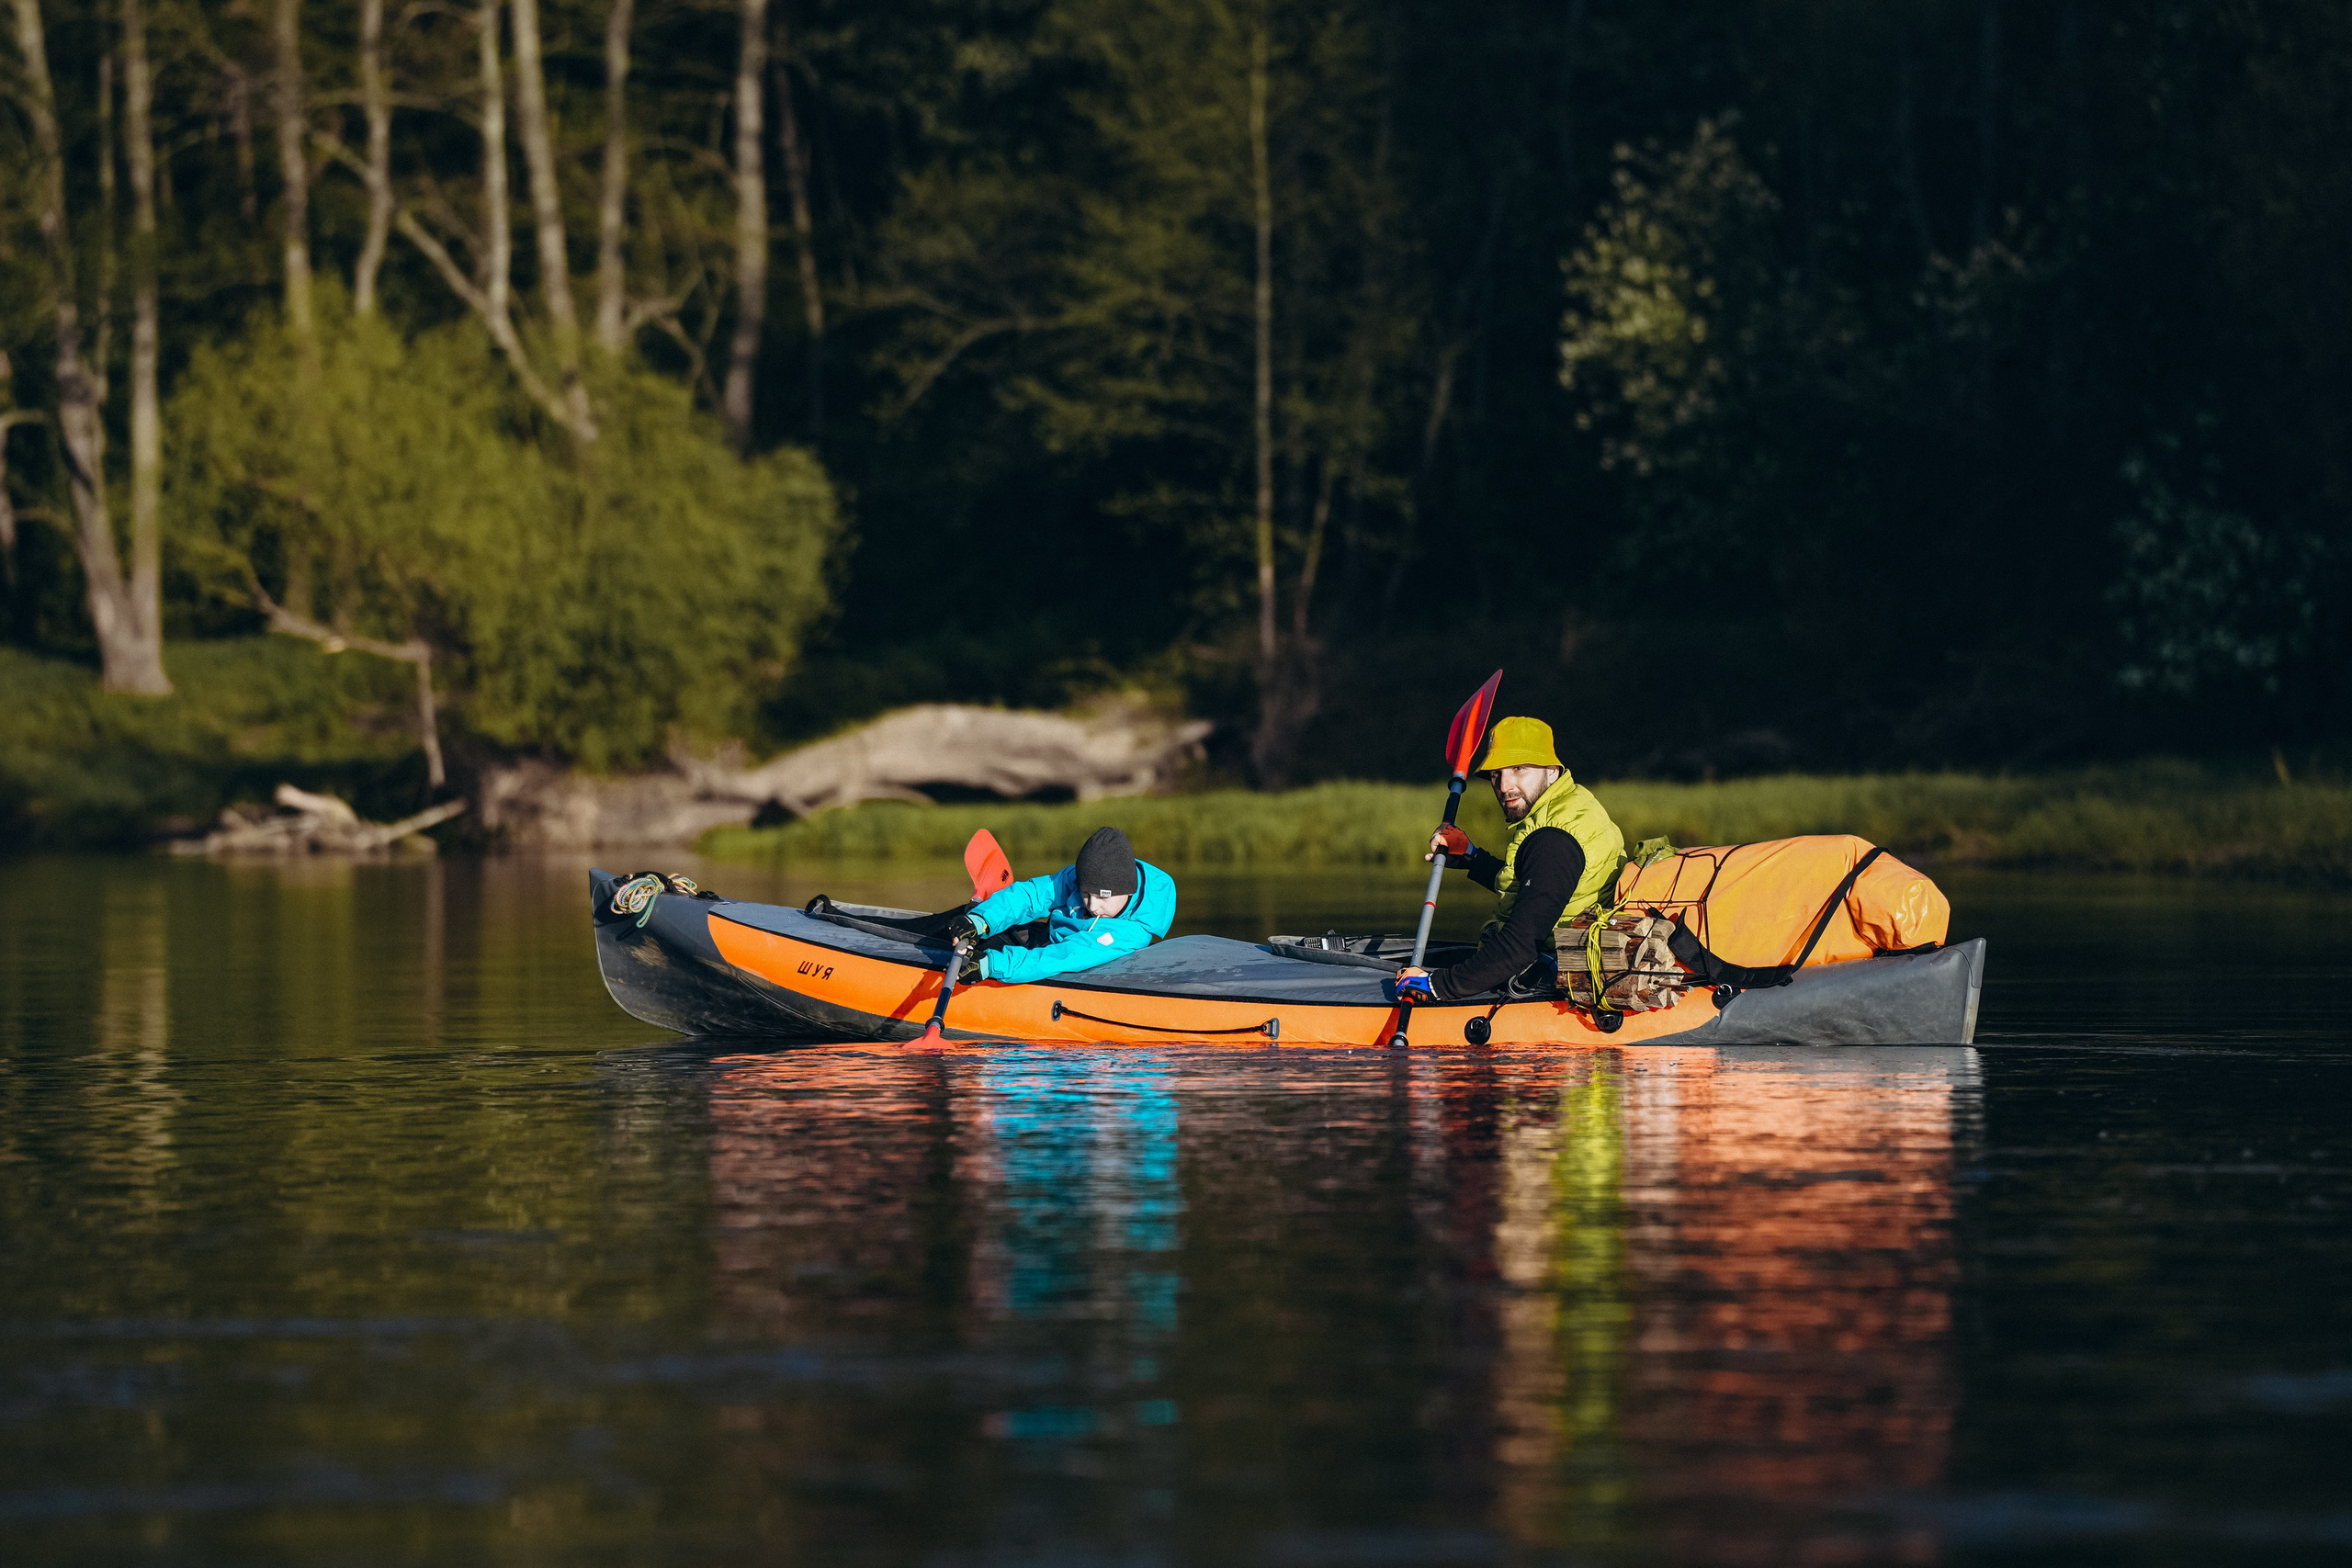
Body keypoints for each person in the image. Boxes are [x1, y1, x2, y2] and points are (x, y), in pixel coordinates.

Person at [1392, 716, 1625, 1003]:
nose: (1504, 786)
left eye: (1518, 769)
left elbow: (1520, 947)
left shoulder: (1554, 839)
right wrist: (1471, 857)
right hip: (1549, 955)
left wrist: (1436, 985)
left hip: (1550, 976)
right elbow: (1533, 888)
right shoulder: (1570, 805)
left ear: (1552, 771)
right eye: (1495, 774)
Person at [945, 826, 1177, 983]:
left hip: (1063, 960)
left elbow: (1064, 955)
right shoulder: (1079, 878)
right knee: (964, 918)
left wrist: (991, 965)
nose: (1093, 906)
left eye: (1103, 897)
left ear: (1129, 890)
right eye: (1086, 894)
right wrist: (980, 920)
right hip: (1046, 941)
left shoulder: (1133, 933)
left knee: (978, 952)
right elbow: (1031, 895)